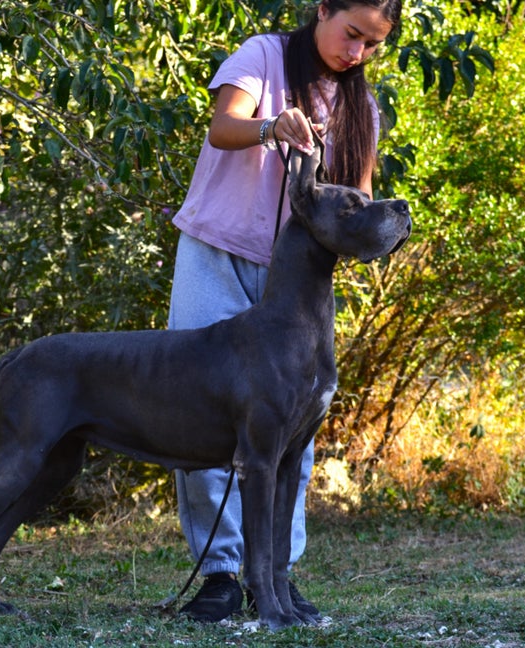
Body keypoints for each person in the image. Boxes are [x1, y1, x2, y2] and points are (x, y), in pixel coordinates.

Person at [169, 0, 402, 623]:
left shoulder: (362, 109)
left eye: (372, 45)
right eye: (351, 33)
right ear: (323, 9)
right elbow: (223, 128)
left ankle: (277, 574)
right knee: (200, 415)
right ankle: (219, 576)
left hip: (298, 287)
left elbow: (358, 203)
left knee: (294, 429)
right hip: (218, 255)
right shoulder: (263, 56)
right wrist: (274, 125)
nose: (356, 53)